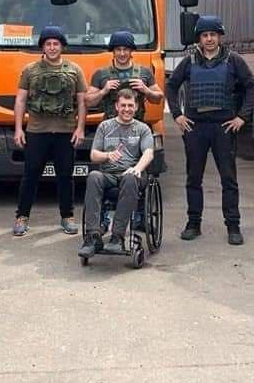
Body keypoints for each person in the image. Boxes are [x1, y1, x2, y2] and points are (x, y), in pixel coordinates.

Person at [165, 15, 254, 245]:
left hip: (223, 128)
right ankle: (193, 223)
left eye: (213, 35)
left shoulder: (233, 60)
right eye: (205, 35)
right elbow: (170, 85)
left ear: (220, 37)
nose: (209, 39)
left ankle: (233, 226)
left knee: (228, 179)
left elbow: (253, 88)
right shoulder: (189, 61)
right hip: (196, 128)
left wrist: (241, 118)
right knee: (193, 178)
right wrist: (177, 114)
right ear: (199, 38)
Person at [12, 25, 87, 237]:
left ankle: (67, 216)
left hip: (65, 132)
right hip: (37, 131)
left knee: (65, 176)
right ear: (42, 47)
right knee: (30, 175)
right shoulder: (30, 70)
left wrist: (80, 128)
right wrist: (19, 129)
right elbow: (21, 100)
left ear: (62, 46)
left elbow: (82, 102)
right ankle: (22, 217)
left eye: (56, 44)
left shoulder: (74, 70)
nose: (52, 47)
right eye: (48, 44)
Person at [79, 89, 155, 257]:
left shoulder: (142, 129)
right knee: (93, 177)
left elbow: (148, 153)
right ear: (116, 106)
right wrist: (107, 155)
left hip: (132, 175)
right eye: (123, 105)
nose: (126, 109)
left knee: (129, 177)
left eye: (130, 106)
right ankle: (93, 235)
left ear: (136, 108)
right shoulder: (105, 126)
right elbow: (93, 155)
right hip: (109, 175)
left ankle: (117, 236)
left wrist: (137, 169)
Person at [85, 30, 163, 122]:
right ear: (113, 51)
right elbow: (88, 102)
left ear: (131, 51)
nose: (122, 54)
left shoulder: (145, 72)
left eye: (125, 49)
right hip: (110, 129)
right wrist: (103, 91)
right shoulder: (101, 74)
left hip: (137, 128)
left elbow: (158, 99)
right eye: (118, 49)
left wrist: (146, 90)